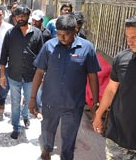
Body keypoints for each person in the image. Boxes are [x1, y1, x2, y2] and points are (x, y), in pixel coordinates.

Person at [28, 14, 101, 160]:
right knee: (47, 130)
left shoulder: (87, 48)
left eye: (66, 35)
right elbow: (39, 73)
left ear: (75, 30)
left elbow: (93, 76)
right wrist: (32, 98)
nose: (62, 38)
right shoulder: (49, 46)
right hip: (50, 101)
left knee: (69, 136)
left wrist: (95, 103)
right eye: (59, 34)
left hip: (74, 104)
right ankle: (46, 150)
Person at [93, 16, 136, 159]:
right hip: (117, 138)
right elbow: (111, 89)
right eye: (127, 36)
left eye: (134, 37)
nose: (130, 41)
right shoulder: (121, 59)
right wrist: (99, 114)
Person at [0, 6, 43, 139]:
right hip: (14, 75)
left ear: (28, 16)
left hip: (31, 76)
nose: (20, 19)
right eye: (17, 17)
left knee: (29, 100)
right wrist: (2, 74)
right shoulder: (10, 33)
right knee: (15, 102)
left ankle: (25, 116)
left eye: (22, 16)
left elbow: (42, 57)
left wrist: (42, 76)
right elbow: (3, 55)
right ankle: (16, 127)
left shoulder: (37, 33)